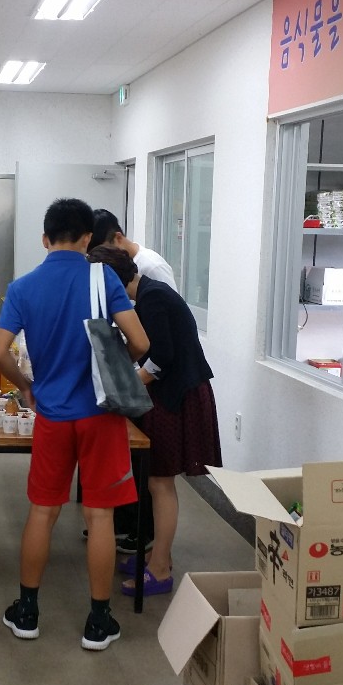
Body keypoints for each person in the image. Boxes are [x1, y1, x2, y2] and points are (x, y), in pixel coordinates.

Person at [0, 197, 149, 651]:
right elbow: (140, 343)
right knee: (100, 516)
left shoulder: (22, 287)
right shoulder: (104, 278)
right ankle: (98, 622)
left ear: (45, 239)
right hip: (101, 415)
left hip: (53, 416)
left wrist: (27, 387)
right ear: (88, 239)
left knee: (43, 511)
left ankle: (27, 612)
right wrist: (114, 361)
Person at [87, 245, 222, 597]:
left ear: (111, 282)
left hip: (179, 395)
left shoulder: (153, 298)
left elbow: (161, 357)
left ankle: (160, 568)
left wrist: (125, 385)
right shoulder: (148, 295)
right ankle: (158, 555)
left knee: (160, 483)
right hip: (172, 393)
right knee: (155, 480)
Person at [87, 208, 178, 291]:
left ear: (118, 238)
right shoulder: (118, 266)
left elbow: (171, 302)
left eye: (105, 251)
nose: (102, 257)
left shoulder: (152, 266)